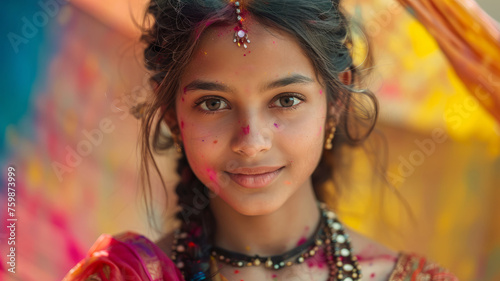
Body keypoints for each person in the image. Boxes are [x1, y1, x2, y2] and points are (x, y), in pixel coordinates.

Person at [63, 0, 459, 280]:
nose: (251, 143)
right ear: (170, 111)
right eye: (213, 103)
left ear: (336, 100)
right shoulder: (125, 276)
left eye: (286, 100)